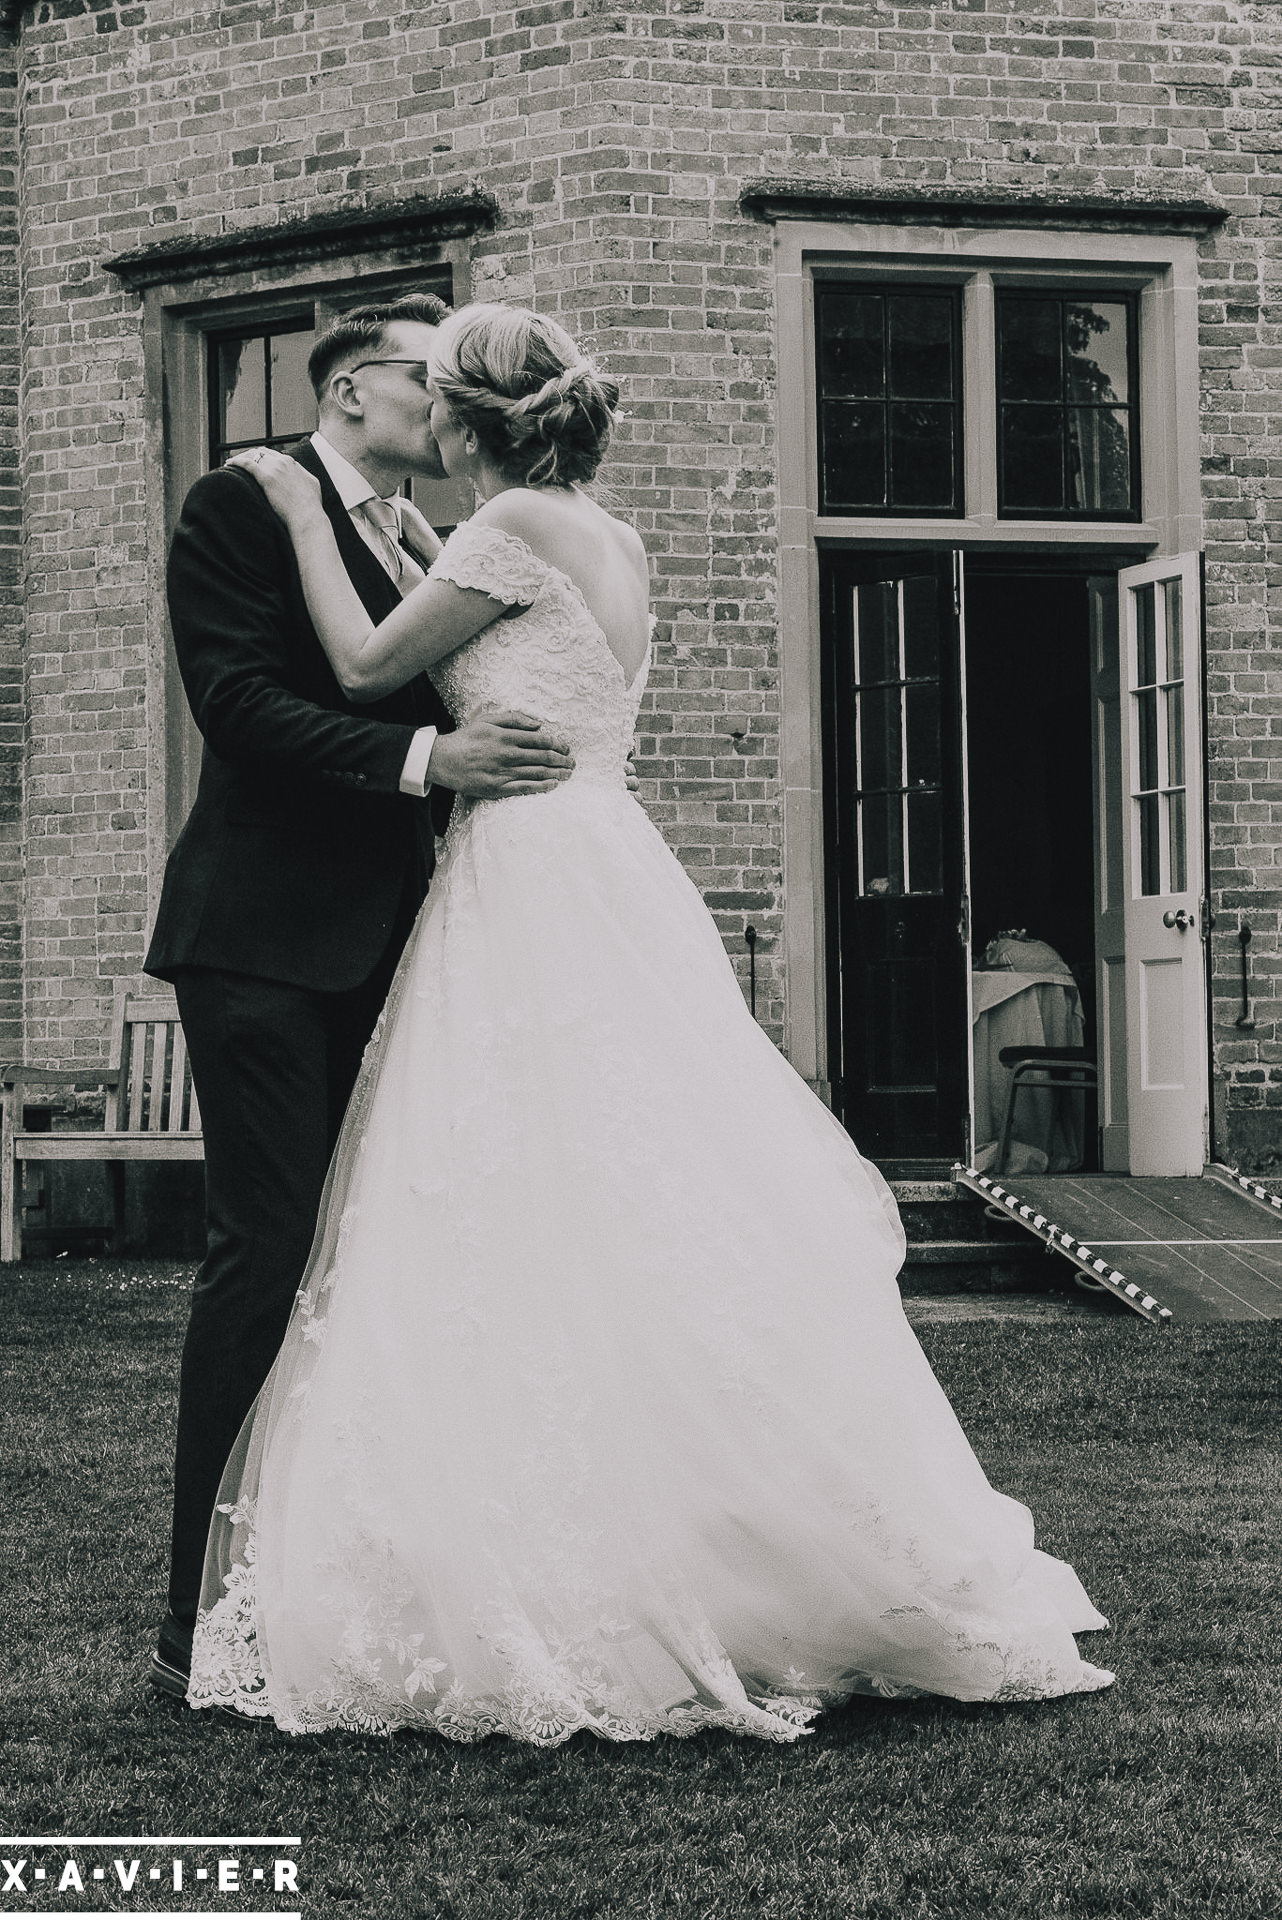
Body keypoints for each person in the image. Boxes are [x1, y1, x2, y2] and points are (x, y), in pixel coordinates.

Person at [187, 302, 1114, 1742]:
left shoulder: (488, 537)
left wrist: (301, 506)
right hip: (605, 863)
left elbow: (371, 668)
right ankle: (729, 1538)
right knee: (631, 1198)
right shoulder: (600, 535)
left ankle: (543, 1554)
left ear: (459, 423)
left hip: (525, 873)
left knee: (514, 1192)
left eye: (440, 394)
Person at [145, 294, 577, 1701]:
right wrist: (425, 769)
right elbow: (238, 706)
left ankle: (351, 1586)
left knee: (385, 1269)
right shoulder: (240, 504)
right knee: (265, 1256)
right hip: (266, 943)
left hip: (408, 942)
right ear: (352, 396)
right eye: (422, 371)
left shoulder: (426, 537)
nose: (442, 392)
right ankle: (195, 1621)